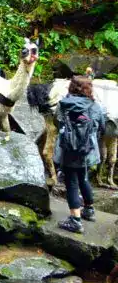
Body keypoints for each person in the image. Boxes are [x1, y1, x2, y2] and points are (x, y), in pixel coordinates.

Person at [55, 75, 108, 233]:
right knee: (83, 177)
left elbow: (57, 123)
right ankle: (89, 210)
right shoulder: (95, 106)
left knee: (71, 182)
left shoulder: (63, 104)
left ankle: (75, 220)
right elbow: (102, 128)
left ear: (71, 87)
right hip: (87, 150)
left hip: (69, 150)